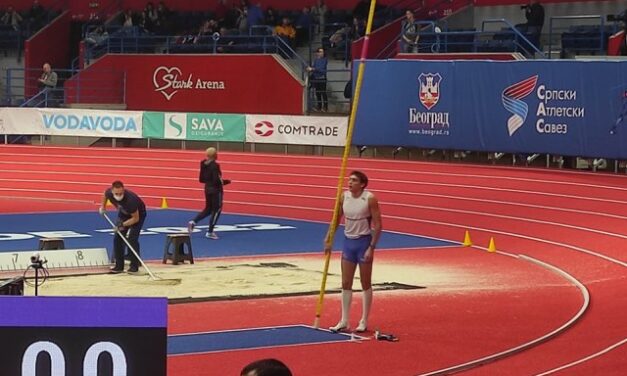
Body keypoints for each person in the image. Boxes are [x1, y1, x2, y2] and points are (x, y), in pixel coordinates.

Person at [324, 170, 382, 333]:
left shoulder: (370, 199)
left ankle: (363, 320)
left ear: (362, 184)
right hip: (348, 243)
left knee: (365, 283)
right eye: (349, 180)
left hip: (363, 243)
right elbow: (336, 219)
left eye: (354, 180)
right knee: (345, 282)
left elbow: (378, 225)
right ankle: (344, 320)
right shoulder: (344, 197)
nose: (350, 183)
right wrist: (328, 238)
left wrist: (372, 247)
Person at [99, 181, 147, 273]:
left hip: (137, 215)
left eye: (121, 193)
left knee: (132, 238)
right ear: (112, 191)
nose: (119, 195)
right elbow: (105, 195)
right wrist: (103, 207)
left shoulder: (130, 200)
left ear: (124, 191)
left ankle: (134, 266)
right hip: (123, 213)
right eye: (116, 194)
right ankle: (119, 266)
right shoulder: (109, 193)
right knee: (118, 238)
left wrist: (121, 225)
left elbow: (135, 219)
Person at [187, 147, 231, 239]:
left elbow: (201, 179)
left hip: (207, 188)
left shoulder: (203, 164)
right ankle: (210, 231)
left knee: (208, 208)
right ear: (215, 155)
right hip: (216, 190)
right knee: (217, 210)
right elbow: (217, 180)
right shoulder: (215, 166)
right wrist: (226, 181)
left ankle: (194, 221)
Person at [307, 47, 328, 112]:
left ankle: (325, 107)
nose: (321, 53)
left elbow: (321, 69)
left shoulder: (325, 60)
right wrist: (310, 68)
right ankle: (319, 107)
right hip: (316, 78)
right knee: (317, 93)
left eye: (322, 52)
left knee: (323, 93)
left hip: (322, 78)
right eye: (320, 52)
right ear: (317, 53)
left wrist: (313, 69)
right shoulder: (316, 60)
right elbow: (315, 67)